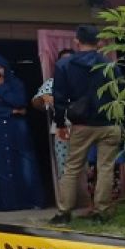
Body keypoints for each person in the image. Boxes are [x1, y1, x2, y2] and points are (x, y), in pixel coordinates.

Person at [50, 25, 122, 225]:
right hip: (109, 122)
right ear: (99, 43)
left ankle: (64, 213)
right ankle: (101, 212)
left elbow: (59, 97)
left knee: (72, 167)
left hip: (81, 123)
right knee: (106, 167)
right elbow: (121, 93)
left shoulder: (65, 65)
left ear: (76, 41)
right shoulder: (110, 65)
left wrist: (60, 124)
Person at [0, 54, 44, 211]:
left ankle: (28, 201)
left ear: (6, 69)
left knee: (23, 163)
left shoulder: (15, 83)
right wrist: (10, 111)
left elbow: (20, 102)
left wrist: (0, 86)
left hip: (16, 130)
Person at [32, 48, 91, 211]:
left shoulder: (85, 80)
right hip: (62, 130)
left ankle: (86, 202)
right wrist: (43, 98)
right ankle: (68, 205)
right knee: (64, 167)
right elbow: (36, 103)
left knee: (86, 167)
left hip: (85, 129)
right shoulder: (52, 82)